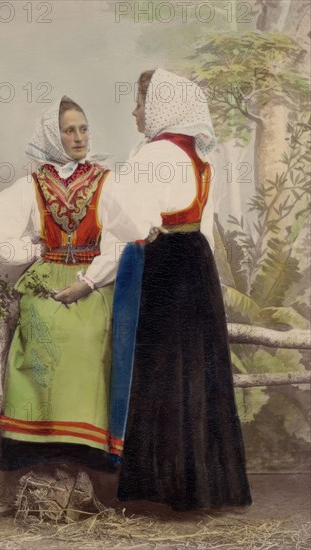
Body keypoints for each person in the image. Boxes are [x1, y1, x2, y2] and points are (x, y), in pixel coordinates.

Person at [56, 69, 252, 511]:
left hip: (165, 266)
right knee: (197, 373)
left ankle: (163, 489)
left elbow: (125, 226)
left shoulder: (150, 155)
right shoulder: (203, 158)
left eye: (140, 102)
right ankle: (204, 489)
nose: (134, 112)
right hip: (197, 264)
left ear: (161, 106)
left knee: (160, 369)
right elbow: (205, 226)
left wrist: (89, 280)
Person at [0, 96, 115, 472]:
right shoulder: (31, 185)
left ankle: (87, 445)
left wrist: (90, 281)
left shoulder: (107, 181)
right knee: (41, 336)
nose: (78, 138)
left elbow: (123, 240)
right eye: (69, 130)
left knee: (89, 335)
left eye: (83, 129)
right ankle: (36, 442)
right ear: (52, 135)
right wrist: (32, 247)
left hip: (93, 279)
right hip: (47, 276)